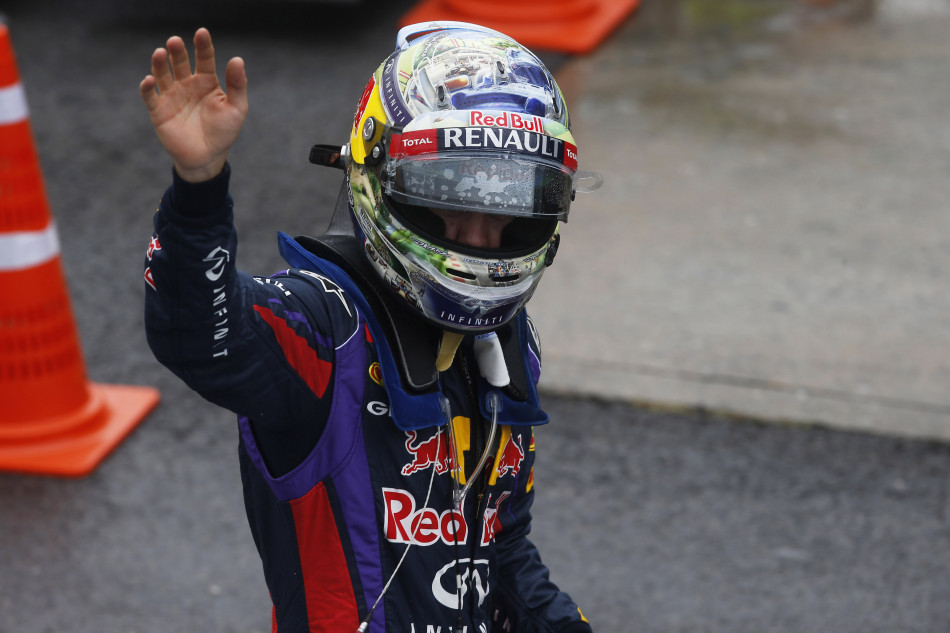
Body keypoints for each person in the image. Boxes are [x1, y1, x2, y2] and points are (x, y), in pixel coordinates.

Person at [140, 22, 600, 633]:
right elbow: (199, 336)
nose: (478, 234)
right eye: (449, 191)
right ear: (379, 176)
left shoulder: (511, 346)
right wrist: (198, 190)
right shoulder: (325, 328)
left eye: (509, 203)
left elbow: (503, 548)